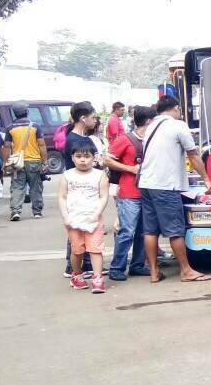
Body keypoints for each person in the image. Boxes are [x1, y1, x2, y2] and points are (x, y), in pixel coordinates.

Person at [138, 95, 211, 283]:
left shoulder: (151, 126)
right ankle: (186, 271)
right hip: (165, 185)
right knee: (175, 229)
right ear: (177, 108)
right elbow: (194, 155)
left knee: (150, 230)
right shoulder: (178, 125)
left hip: (146, 184)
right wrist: (206, 180)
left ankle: (154, 272)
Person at [105, 105, 152, 280]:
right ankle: (116, 267)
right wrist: (130, 169)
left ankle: (137, 265)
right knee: (127, 231)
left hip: (146, 192)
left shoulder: (151, 140)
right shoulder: (125, 140)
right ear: (148, 122)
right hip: (129, 193)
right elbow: (106, 160)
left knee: (142, 231)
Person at [58, 143, 109, 294]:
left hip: (94, 219)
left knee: (95, 249)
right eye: (78, 156)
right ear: (72, 158)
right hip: (73, 219)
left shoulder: (99, 175)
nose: (82, 160)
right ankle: (77, 275)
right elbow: (61, 197)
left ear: (94, 158)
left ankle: (98, 278)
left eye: (86, 156)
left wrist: (97, 213)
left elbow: (104, 196)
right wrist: (66, 216)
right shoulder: (67, 175)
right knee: (77, 250)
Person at [62, 103, 101, 276]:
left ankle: (82, 264)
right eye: (93, 117)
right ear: (83, 119)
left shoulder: (75, 137)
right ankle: (74, 267)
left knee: (80, 229)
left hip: (79, 191)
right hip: (79, 192)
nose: (95, 120)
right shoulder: (78, 140)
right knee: (78, 229)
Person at [6, 104, 48, 221]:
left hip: (17, 162)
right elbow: (41, 145)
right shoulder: (35, 127)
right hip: (34, 161)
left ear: (15, 114)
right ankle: (37, 212)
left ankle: (15, 211)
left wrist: (6, 162)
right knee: (36, 187)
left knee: (17, 187)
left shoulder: (10, 128)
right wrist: (45, 162)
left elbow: (7, 146)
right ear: (27, 112)